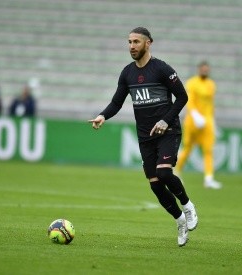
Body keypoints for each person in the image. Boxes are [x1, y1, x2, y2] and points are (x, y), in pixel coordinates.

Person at [88, 27, 198, 247]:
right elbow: (117, 102)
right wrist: (103, 115)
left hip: (168, 131)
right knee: (155, 185)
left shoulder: (162, 69)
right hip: (145, 136)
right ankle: (179, 220)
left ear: (148, 43)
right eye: (129, 42)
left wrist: (165, 120)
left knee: (164, 172)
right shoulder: (127, 73)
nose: (131, 46)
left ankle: (187, 205)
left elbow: (182, 97)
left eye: (136, 42)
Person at [175, 61, 222, 189]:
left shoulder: (211, 85)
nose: (205, 72)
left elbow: (211, 104)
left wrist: (213, 121)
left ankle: (208, 178)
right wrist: (195, 115)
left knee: (208, 150)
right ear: (199, 70)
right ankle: (176, 171)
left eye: (207, 70)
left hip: (207, 122)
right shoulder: (192, 83)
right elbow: (189, 100)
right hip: (192, 121)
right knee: (188, 148)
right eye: (203, 69)